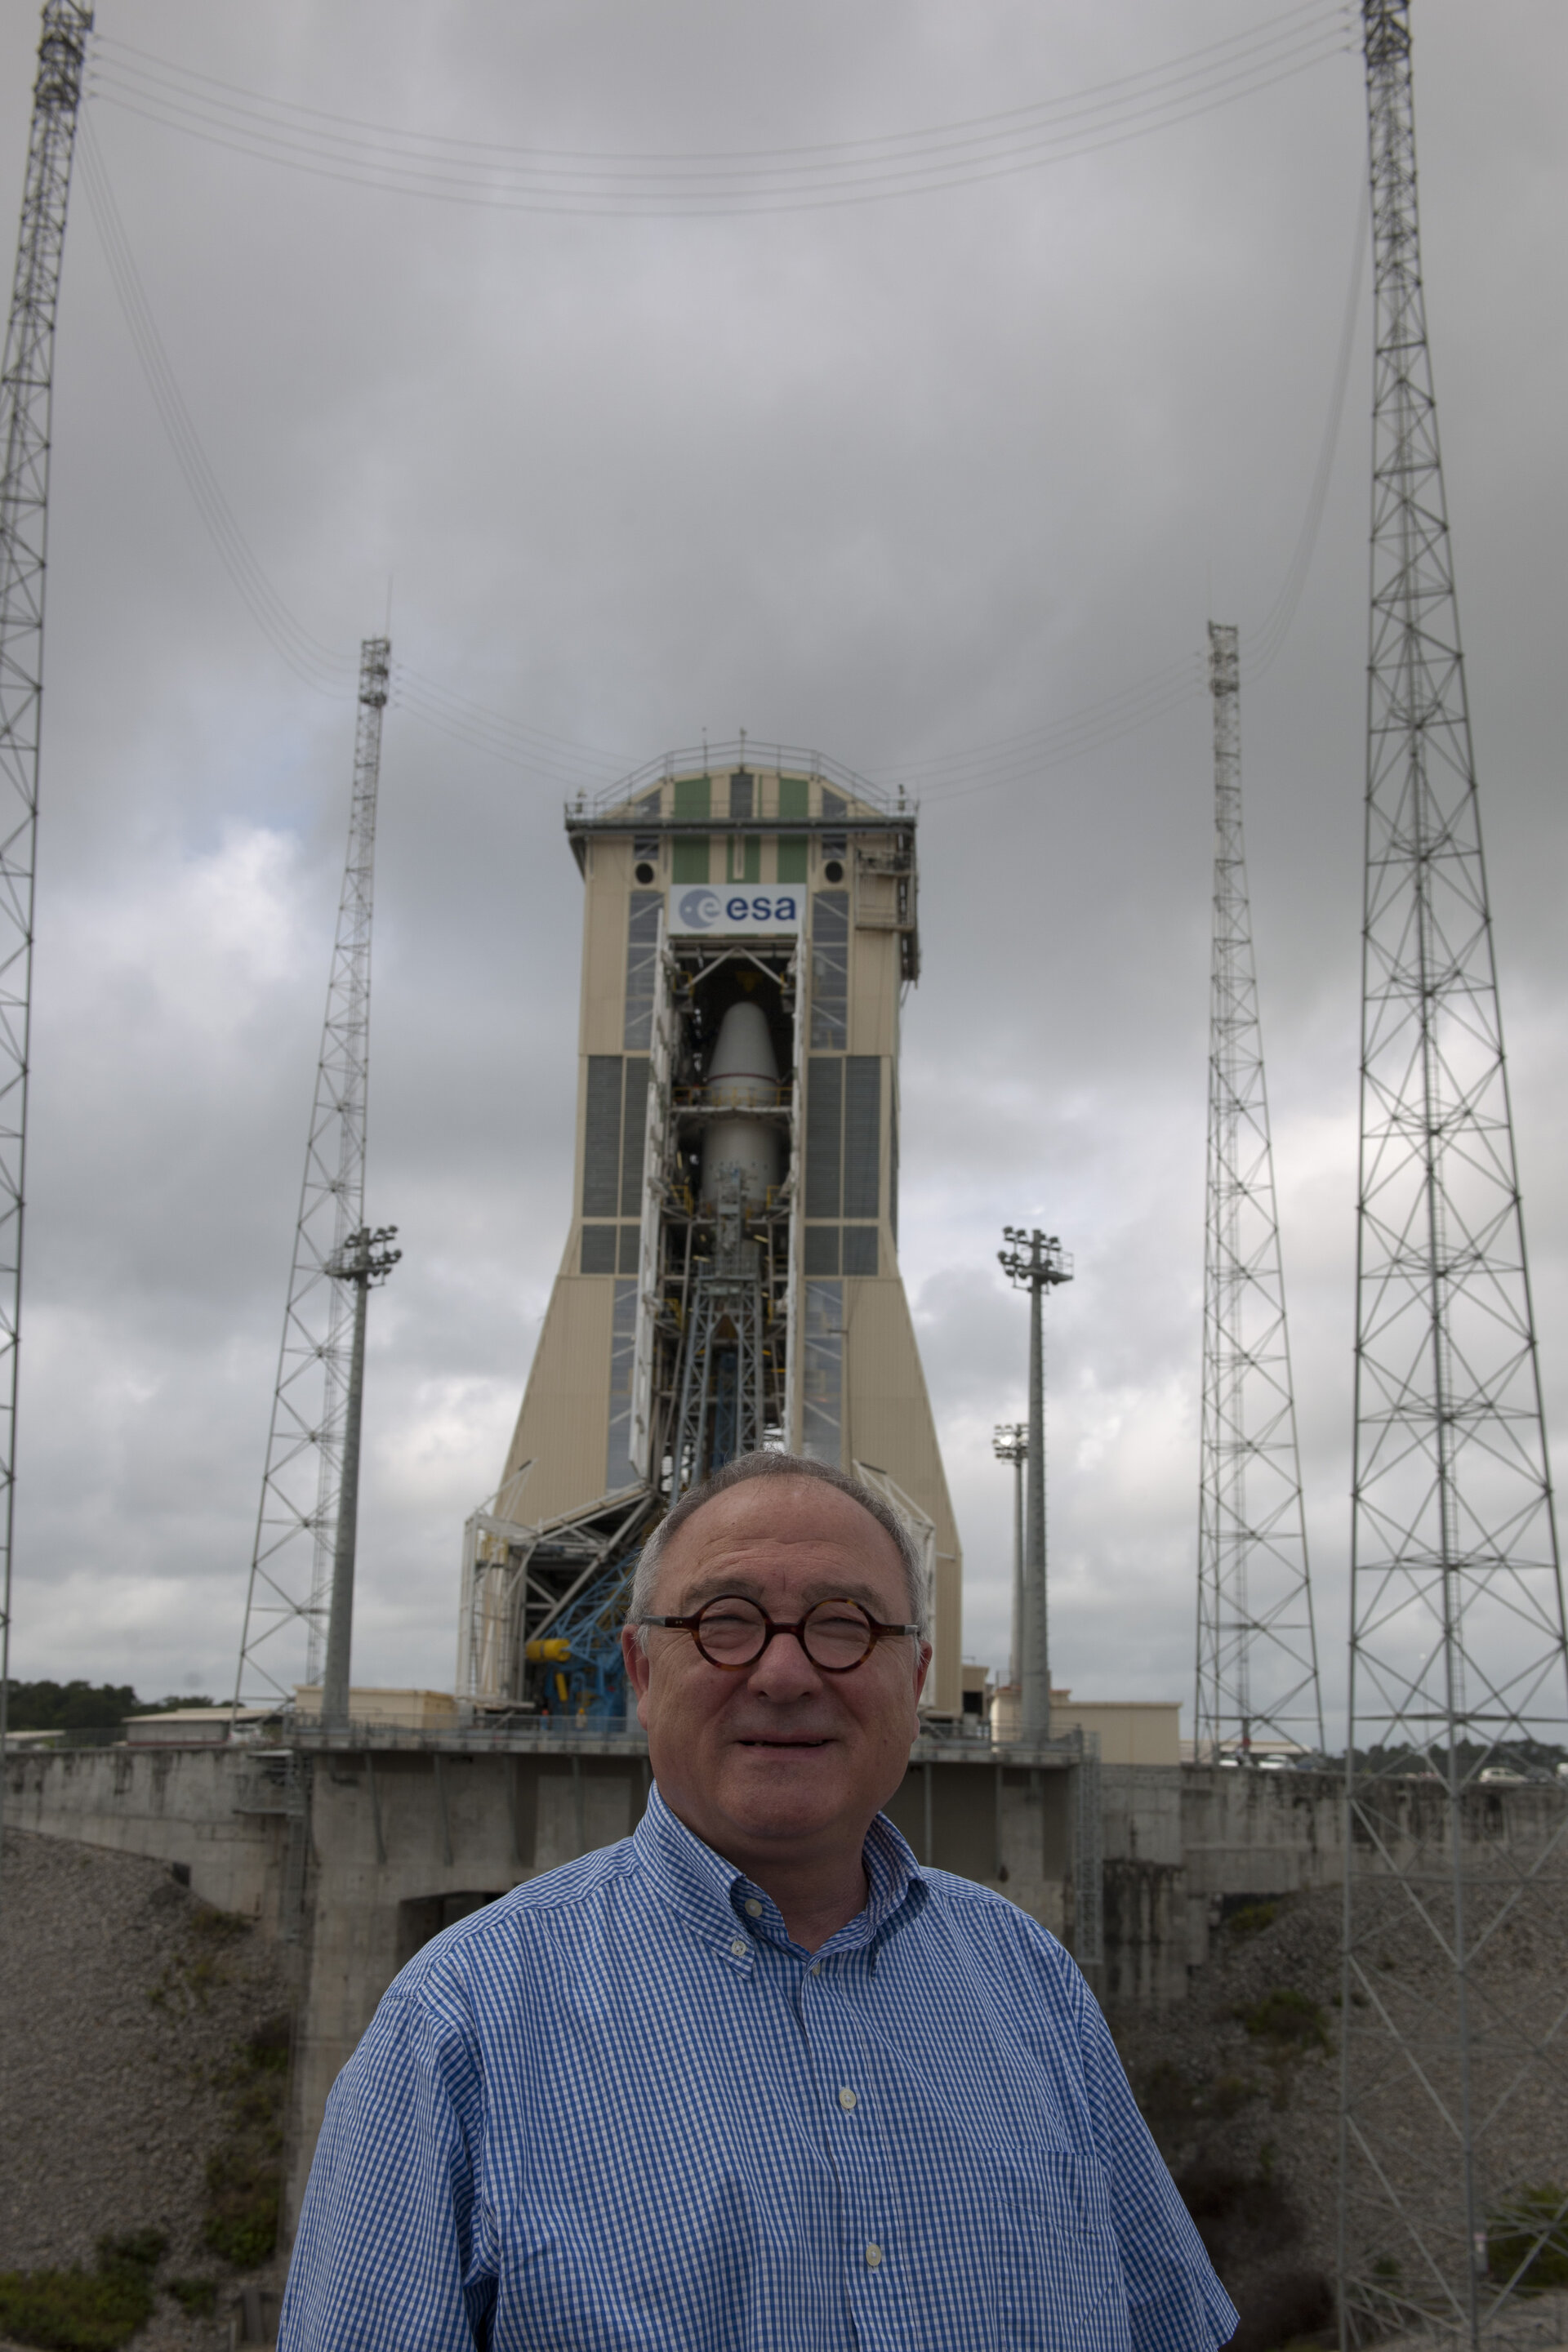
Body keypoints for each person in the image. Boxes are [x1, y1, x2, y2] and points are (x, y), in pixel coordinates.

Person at [281, 1452, 1237, 2352]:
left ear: (913, 1677)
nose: (785, 1675)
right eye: (724, 1622)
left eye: (845, 1625)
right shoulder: (456, 2031)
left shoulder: (1030, 1982)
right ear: (644, 1673)